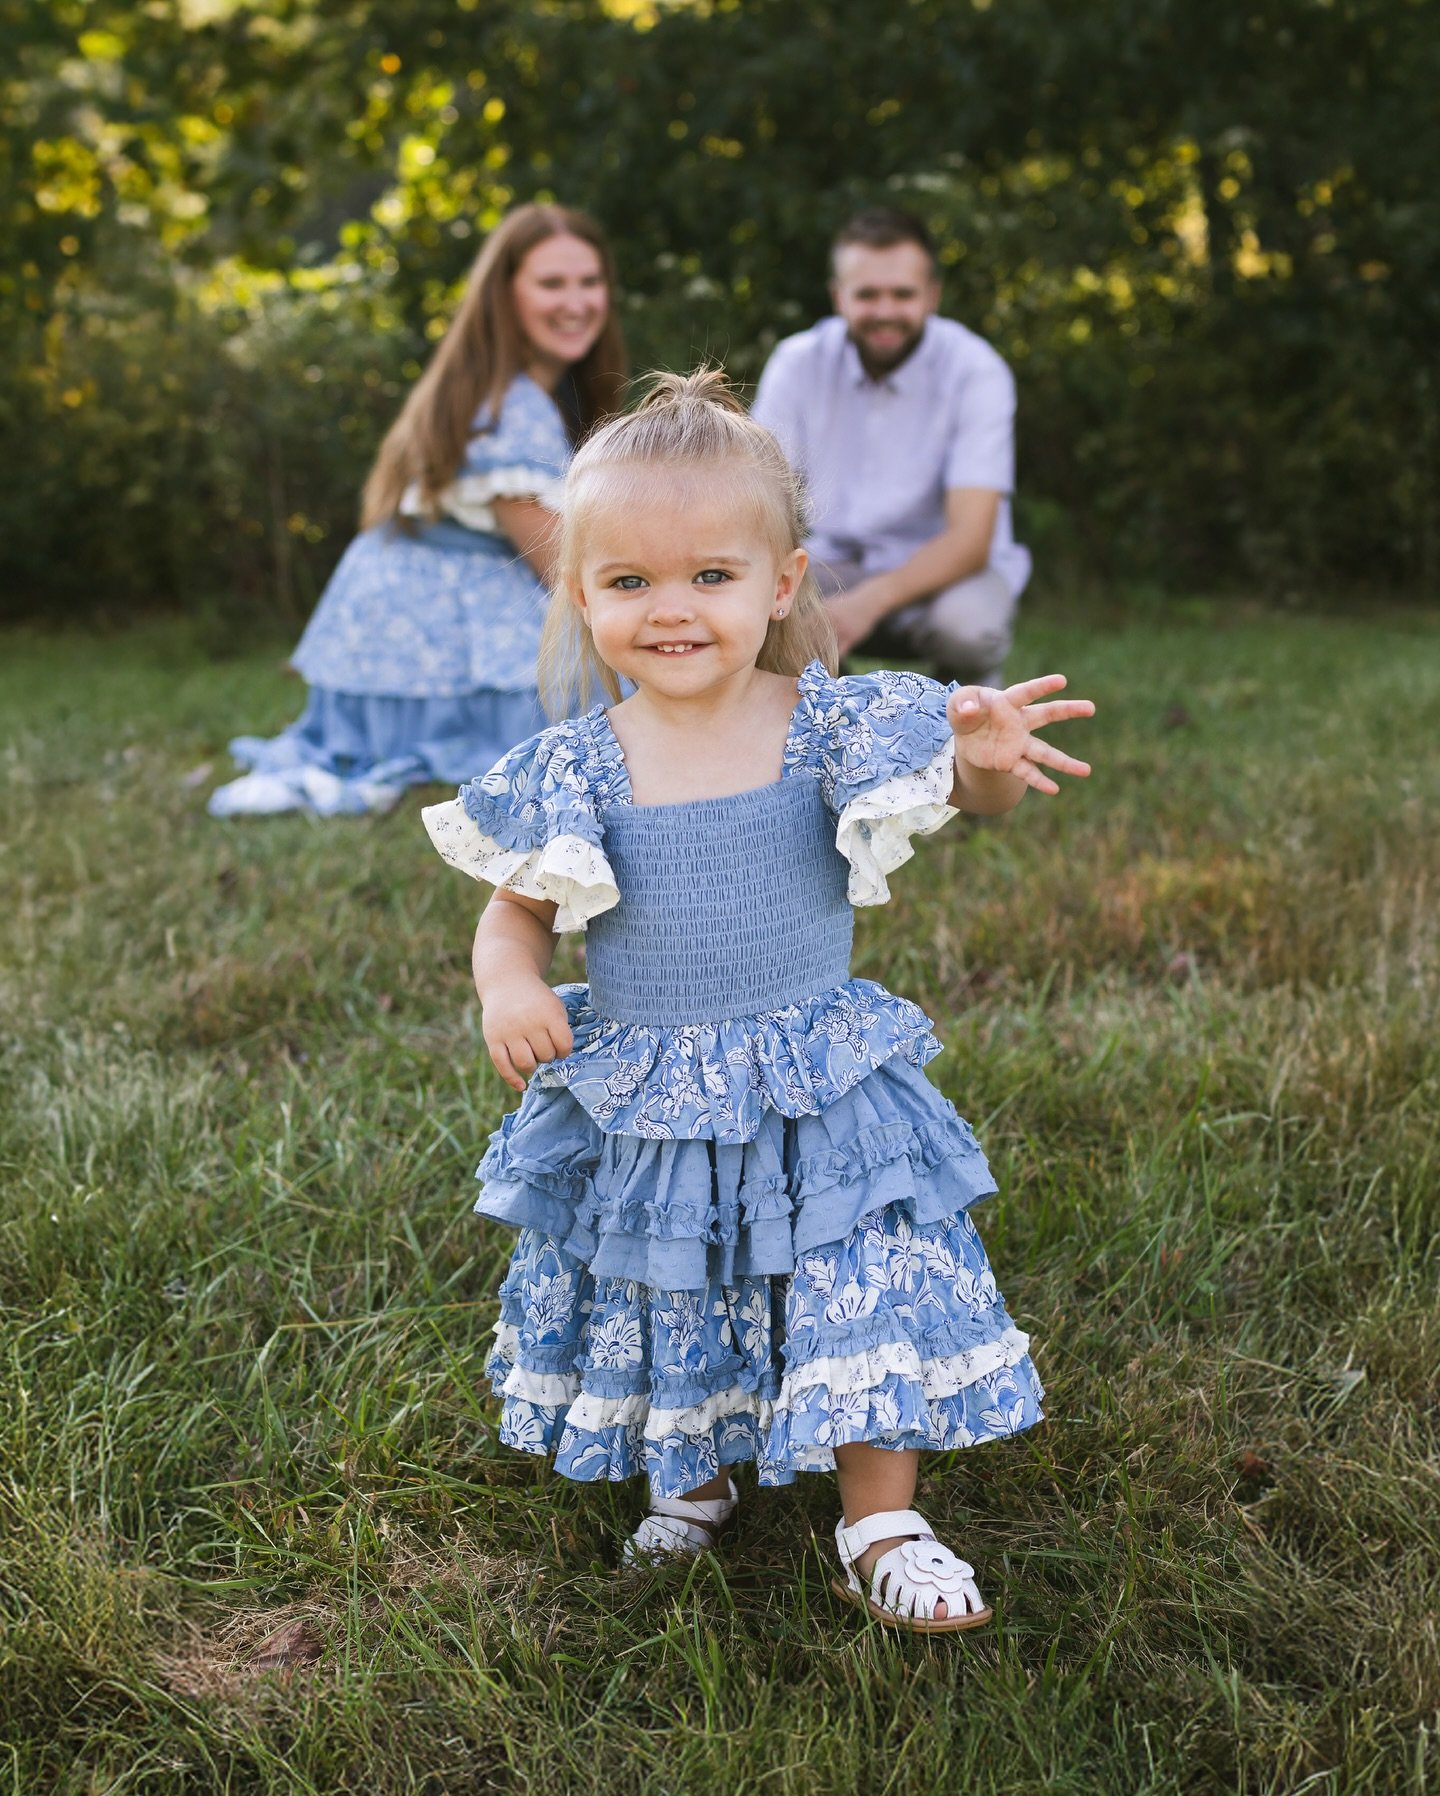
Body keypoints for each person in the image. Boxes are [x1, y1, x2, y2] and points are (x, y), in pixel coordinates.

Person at [422, 370, 1093, 1632]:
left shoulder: (832, 725)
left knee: (861, 1259)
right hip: (651, 1083)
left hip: (814, 1073)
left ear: (780, 583)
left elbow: (967, 796)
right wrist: (509, 979)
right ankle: (697, 1468)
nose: (671, 609)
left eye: (710, 577)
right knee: (677, 1276)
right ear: (581, 592)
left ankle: (879, 1513)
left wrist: (991, 763)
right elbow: (514, 905)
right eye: (629, 583)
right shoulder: (575, 763)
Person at [208, 204, 627, 818]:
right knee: (623, 689)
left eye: (589, 282)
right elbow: (567, 567)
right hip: (424, 628)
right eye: (551, 283)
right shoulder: (506, 407)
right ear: (504, 295)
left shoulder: (511, 389)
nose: (576, 301)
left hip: (394, 622)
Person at [751, 206, 1030, 685]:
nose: (884, 312)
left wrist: (867, 603)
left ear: (931, 297)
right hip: (834, 561)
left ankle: (970, 721)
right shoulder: (797, 364)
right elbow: (755, 498)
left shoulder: (975, 370)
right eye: (867, 295)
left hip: (948, 568)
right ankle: (816, 722)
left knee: (967, 630)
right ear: (839, 297)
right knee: (751, 600)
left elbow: (971, 539)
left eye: (902, 294)